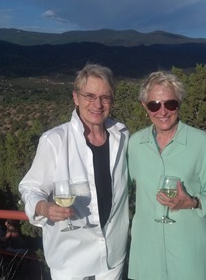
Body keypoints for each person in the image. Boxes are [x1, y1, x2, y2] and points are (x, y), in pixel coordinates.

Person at [19, 63, 129, 280]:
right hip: (70, 258)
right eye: (90, 95)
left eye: (105, 97)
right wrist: (43, 207)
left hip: (112, 255)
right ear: (76, 98)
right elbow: (30, 187)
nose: (97, 104)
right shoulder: (55, 141)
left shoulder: (122, 135)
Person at [127, 71, 206, 280]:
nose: (163, 111)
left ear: (179, 104)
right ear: (144, 107)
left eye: (170, 104)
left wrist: (192, 202)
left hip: (189, 256)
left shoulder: (201, 142)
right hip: (147, 258)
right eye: (155, 104)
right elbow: (118, 190)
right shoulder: (135, 144)